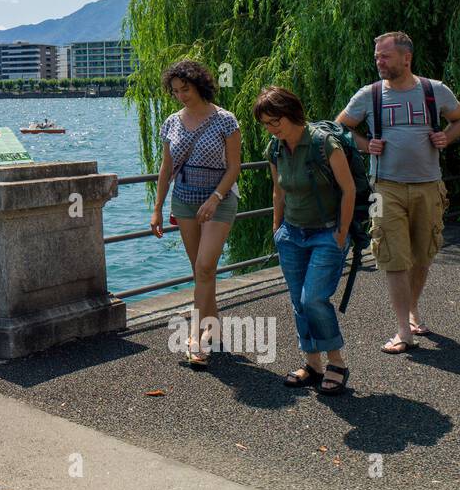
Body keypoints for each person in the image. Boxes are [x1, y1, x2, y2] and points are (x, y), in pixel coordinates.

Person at [337, 32, 460, 353]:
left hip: (429, 185)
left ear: (406, 58)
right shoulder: (369, 94)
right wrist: (364, 144)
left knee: (423, 254)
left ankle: (412, 311)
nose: (378, 62)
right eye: (377, 57)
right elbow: (339, 127)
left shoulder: (433, 90)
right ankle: (403, 330)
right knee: (393, 256)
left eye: (384, 56)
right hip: (385, 188)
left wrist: (447, 137)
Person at [256, 86, 355, 394]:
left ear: (292, 113)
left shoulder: (324, 144)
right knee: (298, 301)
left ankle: (336, 362)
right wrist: (277, 228)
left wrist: (341, 233)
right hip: (291, 234)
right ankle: (312, 364)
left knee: (313, 298)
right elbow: (278, 190)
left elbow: (348, 190)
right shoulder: (275, 148)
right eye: (267, 124)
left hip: (327, 232)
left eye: (276, 122)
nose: (272, 129)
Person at [150, 60, 242, 367]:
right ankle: (213, 328)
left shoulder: (225, 120)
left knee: (204, 266)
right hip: (185, 200)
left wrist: (215, 198)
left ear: (199, 85)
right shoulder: (171, 123)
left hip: (219, 199)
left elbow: (234, 167)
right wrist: (158, 207)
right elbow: (166, 169)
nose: (181, 96)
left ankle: (197, 335)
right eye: (175, 91)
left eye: (185, 89)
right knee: (201, 270)